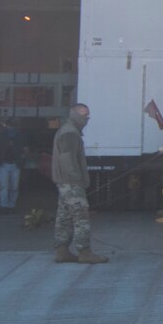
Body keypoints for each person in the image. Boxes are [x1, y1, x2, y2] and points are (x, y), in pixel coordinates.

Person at [52, 103, 108, 264]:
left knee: (64, 216)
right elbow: (67, 159)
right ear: (76, 115)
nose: (87, 118)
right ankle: (84, 252)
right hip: (71, 183)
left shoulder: (68, 130)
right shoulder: (70, 133)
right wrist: (77, 178)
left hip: (64, 182)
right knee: (80, 216)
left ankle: (62, 251)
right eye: (85, 115)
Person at [0, 118, 24, 213]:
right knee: (14, 187)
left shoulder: (1, 136)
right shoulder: (20, 136)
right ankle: (9, 205)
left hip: (4, 164)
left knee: (4, 186)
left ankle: (4, 206)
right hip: (13, 164)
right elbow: (25, 149)